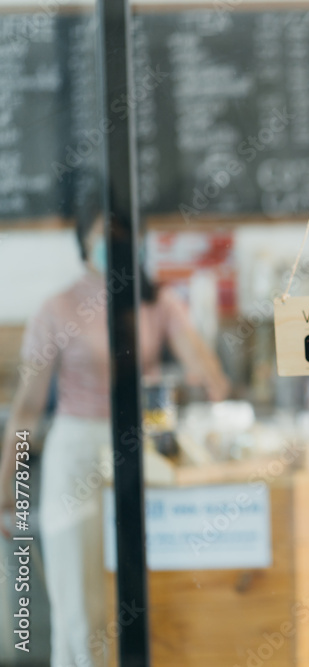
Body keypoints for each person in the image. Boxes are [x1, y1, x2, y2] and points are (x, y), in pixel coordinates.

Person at [0, 203, 230, 667]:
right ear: (83, 242)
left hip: (141, 451)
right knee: (79, 604)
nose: (114, 245)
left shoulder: (156, 301)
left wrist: (184, 334)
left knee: (145, 596)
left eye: (125, 235)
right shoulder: (57, 308)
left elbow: (213, 381)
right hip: (76, 450)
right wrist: (8, 489)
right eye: (105, 235)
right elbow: (25, 411)